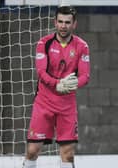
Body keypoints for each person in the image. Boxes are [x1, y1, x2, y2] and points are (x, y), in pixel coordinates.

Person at [23, 5, 90, 168]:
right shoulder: (44, 43)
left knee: (68, 154)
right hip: (44, 103)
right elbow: (41, 72)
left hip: (66, 106)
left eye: (67, 22)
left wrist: (72, 85)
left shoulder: (82, 46)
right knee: (32, 150)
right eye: (60, 21)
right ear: (55, 22)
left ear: (74, 24)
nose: (63, 25)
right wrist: (57, 84)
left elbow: (85, 76)